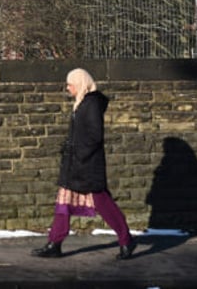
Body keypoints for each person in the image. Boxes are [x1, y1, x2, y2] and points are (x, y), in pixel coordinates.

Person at [32, 67, 137, 260]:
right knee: (63, 203)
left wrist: (78, 154)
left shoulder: (91, 104)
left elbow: (95, 136)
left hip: (87, 166)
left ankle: (126, 240)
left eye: (70, 84)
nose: (67, 88)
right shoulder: (81, 103)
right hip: (75, 164)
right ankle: (55, 243)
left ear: (80, 84)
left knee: (103, 204)